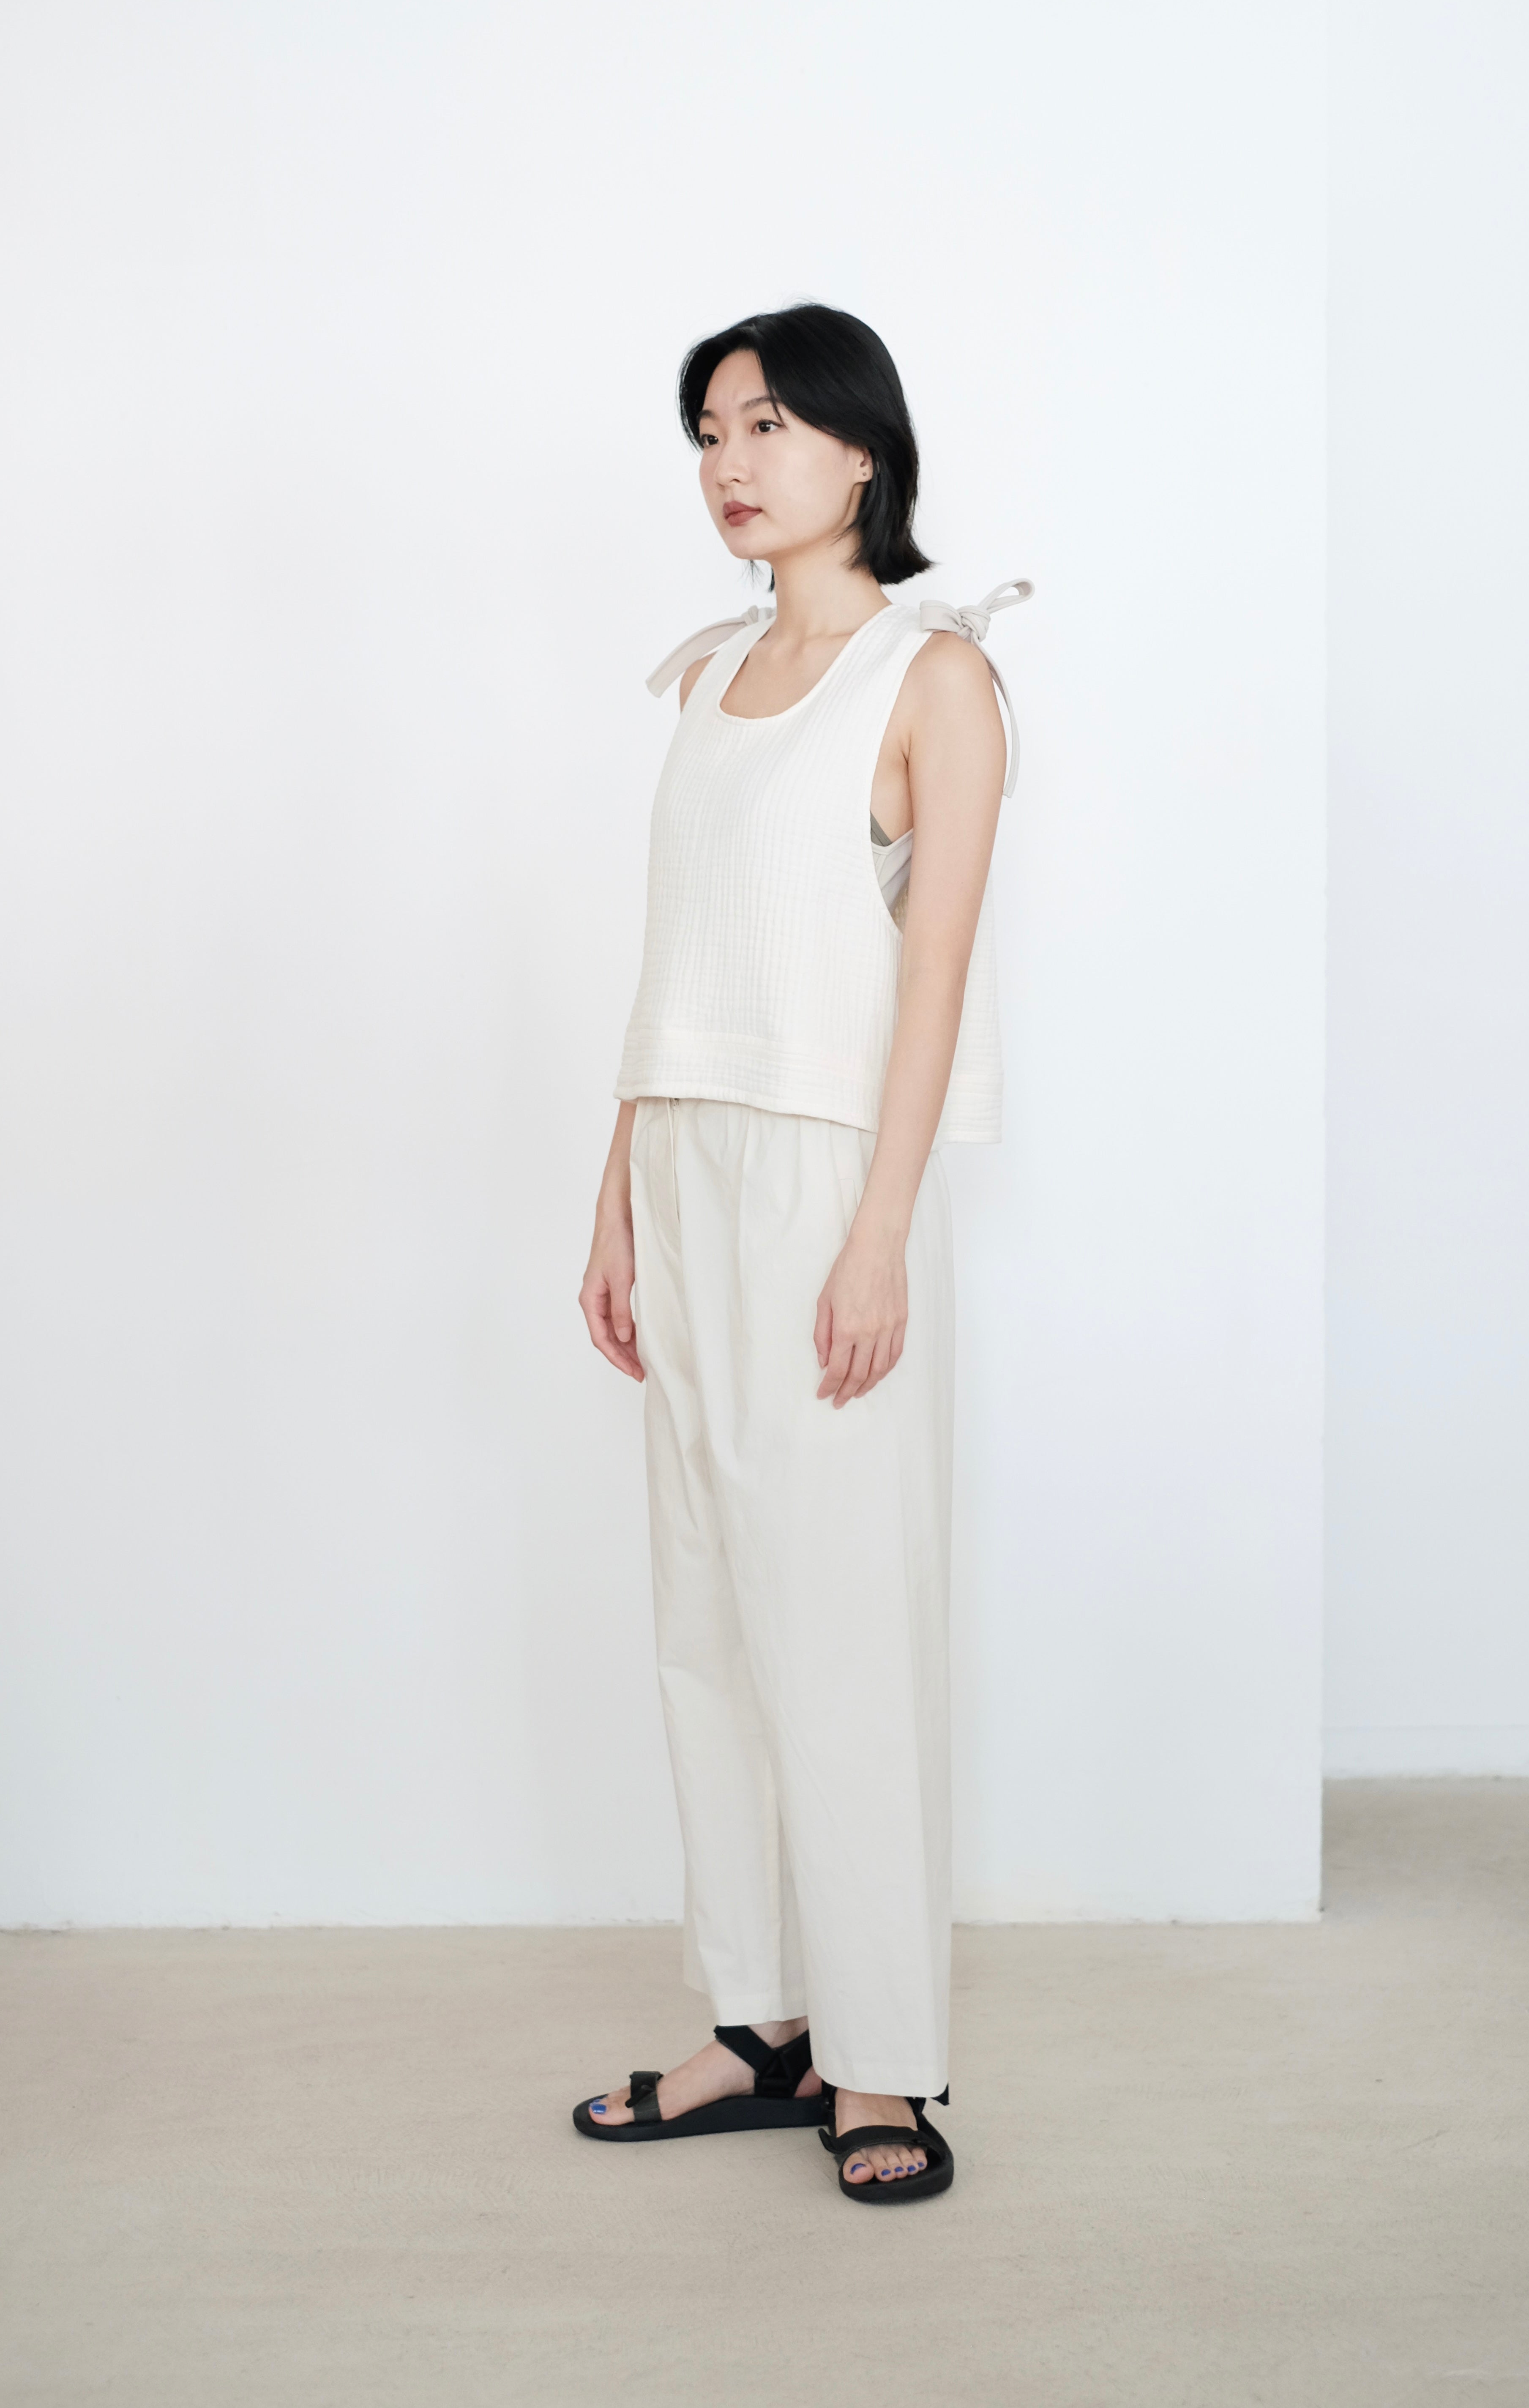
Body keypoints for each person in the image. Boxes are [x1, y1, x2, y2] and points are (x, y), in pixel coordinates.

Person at [574, 302, 1030, 2204]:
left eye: (764, 423)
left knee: (842, 1625)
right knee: (705, 1616)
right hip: (682, 1160)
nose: (729, 463)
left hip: (821, 1178)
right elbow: (674, 962)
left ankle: (883, 2064)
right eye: (707, 432)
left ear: (861, 447)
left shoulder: (935, 678)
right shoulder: (708, 677)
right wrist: (615, 1196)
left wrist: (879, 1236)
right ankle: (757, 2018)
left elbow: (935, 983)